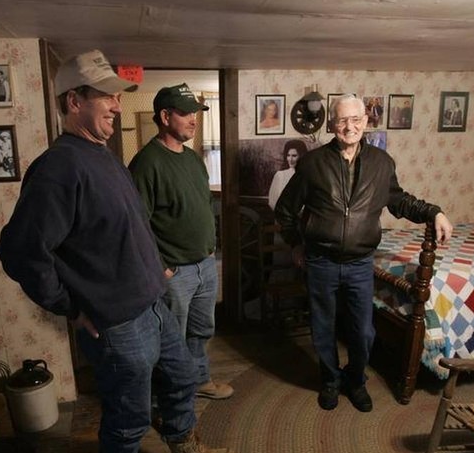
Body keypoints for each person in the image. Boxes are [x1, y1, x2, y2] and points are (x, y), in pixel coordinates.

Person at [0, 49, 238, 453]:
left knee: (181, 379)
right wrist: (70, 306)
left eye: (115, 96)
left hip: (153, 304)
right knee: (128, 408)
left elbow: (133, 227)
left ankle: (184, 452)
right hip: (115, 319)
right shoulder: (58, 167)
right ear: (73, 101)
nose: (115, 105)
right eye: (105, 96)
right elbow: (21, 252)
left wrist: (156, 268)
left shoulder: (103, 156)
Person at [274, 93, 453, 412]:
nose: (349, 126)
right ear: (332, 124)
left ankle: (355, 381)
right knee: (323, 327)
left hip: (360, 263)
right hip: (321, 261)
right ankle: (330, 381)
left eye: (356, 119)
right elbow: (285, 211)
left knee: (364, 332)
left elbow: (400, 201)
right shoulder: (312, 164)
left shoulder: (382, 164)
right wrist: (296, 243)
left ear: (366, 122)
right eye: (342, 120)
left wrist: (434, 212)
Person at [128, 83, 233, 400]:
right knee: (171, 337)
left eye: (196, 114)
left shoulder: (192, 159)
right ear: (164, 116)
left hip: (205, 264)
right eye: (186, 113)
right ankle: (170, 397)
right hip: (176, 271)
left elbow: (199, 205)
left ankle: (199, 380)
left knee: (202, 331)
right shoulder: (147, 163)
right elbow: (136, 223)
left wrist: (210, 248)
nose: (193, 120)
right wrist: (160, 266)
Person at [268, 139, 308, 210]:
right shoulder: (280, 175)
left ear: (301, 156)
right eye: (288, 155)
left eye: (294, 156)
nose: (290, 159)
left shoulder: (308, 176)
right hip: (283, 218)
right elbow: (272, 202)